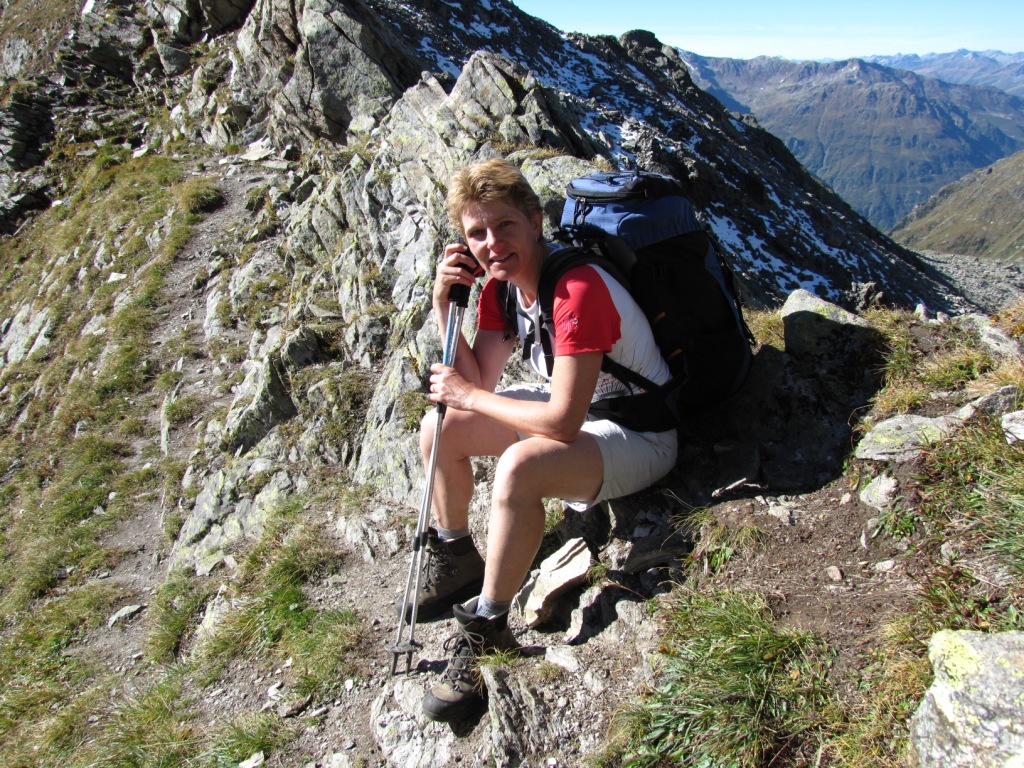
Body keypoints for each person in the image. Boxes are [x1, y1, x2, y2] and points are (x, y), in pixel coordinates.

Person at [414, 158, 678, 722]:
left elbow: (557, 423)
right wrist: (444, 307)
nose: (492, 244)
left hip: (641, 432)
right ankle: (457, 556)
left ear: (535, 222)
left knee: (519, 466)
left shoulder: (576, 289)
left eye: (505, 225)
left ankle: (488, 625)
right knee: (440, 427)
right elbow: (479, 381)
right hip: (584, 416)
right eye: (477, 233)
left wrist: (467, 394)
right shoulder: (503, 289)